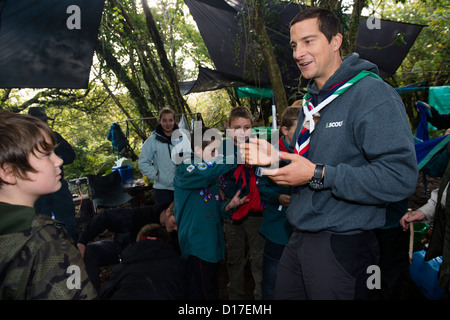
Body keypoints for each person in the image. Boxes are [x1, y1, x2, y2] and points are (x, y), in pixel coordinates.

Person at [243, 7, 418, 300]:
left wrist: (319, 174)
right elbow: (308, 166)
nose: (299, 53)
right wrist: (274, 158)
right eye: (295, 45)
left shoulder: (372, 94)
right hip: (298, 236)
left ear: (336, 41)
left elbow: (399, 178)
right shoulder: (311, 104)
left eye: (309, 41)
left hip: (343, 243)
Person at [0, 110, 96, 300]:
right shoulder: (51, 245)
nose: (58, 160)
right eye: (45, 154)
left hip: (58, 195)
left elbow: (69, 156)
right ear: (9, 172)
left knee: (68, 220)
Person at [174, 126, 248, 300]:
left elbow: (216, 207)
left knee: (211, 291)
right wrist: (238, 157)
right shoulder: (186, 168)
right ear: (198, 150)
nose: (217, 155)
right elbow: (209, 171)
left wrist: (229, 206)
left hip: (212, 246)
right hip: (196, 247)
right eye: (214, 150)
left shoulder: (210, 175)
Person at [220, 106, 266, 300]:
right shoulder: (219, 148)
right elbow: (211, 174)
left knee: (259, 256)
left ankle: (260, 295)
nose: (242, 132)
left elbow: (270, 175)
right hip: (231, 209)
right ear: (229, 128)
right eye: (237, 127)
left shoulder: (259, 145)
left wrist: (258, 164)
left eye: (247, 127)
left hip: (254, 209)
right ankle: (235, 296)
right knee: (234, 257)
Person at [76, 202, 176, 290]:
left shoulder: (180, 232)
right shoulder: (141, 215)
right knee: (91, 251)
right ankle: (92, 293)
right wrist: (82, 241)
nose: (175, 228)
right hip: (123, 248)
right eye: (174, 223)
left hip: (149, 264)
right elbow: (105, 217)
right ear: (168, 212)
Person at [258, 106, 299, 300]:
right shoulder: (271, 153)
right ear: (284, 129)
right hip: (278, 228)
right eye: (299, 128)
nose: (304, 132)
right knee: (271, 281)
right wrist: (278, 197)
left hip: (303, 229)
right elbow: (261, 187)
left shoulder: (309, 149)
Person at [28, 107, 78, 242]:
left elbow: (70, 156)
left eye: (45, 121)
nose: (44, 124)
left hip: (58, 186)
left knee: (68, 223)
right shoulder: (24, 142)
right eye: (41, 121)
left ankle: (72, 253)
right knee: (41, 227)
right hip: (37, 190)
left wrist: (54, 157)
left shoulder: (55, 137)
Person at [99, 224, 188, 300]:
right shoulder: (181, 266)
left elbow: (105, 293)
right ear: (166, 242)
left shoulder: (121, 269)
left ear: (139, 241)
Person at [139, 107, 188, 204]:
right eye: (164, 120)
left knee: (182, 218)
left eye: (170, 120)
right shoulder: (152, 140)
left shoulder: (183, 137)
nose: (168, 124)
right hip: (162, 189)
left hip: (182, 186)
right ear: (160, 121)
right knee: (164, 218)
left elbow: (190, 158)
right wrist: (157, 175)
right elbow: (143, 162)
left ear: (175, 121)